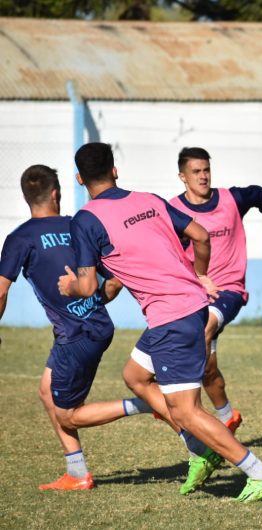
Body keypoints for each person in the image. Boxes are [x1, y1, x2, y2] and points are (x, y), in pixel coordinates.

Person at [58, 143, 262, 502]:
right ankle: (201, 449)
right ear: (115, 170)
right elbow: (201, 235)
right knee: (135, 376)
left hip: (172, 318)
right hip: (186, 309)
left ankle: (259, 473)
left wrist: (71, 286)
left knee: (187, 411)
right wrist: (201, 275)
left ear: (79, 178)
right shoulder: (149, 199)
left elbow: (87, 286)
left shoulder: (86, 219)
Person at [0, 164, 153, 490]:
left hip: (78, 336)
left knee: (68, 413)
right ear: (56, 193)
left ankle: (145, 403)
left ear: (27, 197)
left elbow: (0, 291)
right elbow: (117, 274)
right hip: (85, 328)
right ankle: (77, 472)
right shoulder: (79, 225)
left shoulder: (19, 239)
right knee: (46, 391)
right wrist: (94, 303)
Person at [168, 147, 262, 432]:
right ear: (182, 177)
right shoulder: (173, 209)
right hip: (194, 295)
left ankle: (186, 411)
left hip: (228, 290)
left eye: (206, 170)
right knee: (208, 367)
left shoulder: (230, 199)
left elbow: (260, 195)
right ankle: (227, 417)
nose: (203, 176)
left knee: (201, 332)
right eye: (196, 172)